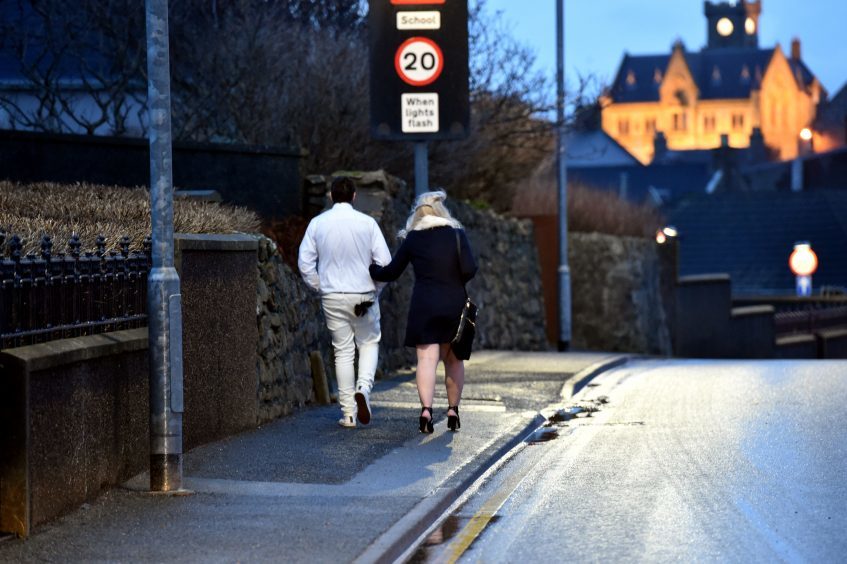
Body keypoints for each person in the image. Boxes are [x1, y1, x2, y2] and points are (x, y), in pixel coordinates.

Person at [369, 190, 477, 434]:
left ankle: (426, 412)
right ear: (442, 212)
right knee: (454, 359)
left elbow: (392, 272)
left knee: (426, 360)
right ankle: (452, 411)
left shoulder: (414, 239)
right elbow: (470, 269)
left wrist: (371, 269)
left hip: (424, 305)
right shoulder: (457, 235)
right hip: (453, 304)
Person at [298, 176, 391, 428]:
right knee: (369, 343)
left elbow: (305, 263)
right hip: (364, 294)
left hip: (333, 295)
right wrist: (376, 289)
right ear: (353, 196)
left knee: (342, 351)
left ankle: (348, 412)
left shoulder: (318, 223)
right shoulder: (368, 223)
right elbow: (384, 262)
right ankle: (364, 387)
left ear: (330, 196)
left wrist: (319, 285)